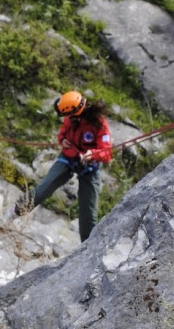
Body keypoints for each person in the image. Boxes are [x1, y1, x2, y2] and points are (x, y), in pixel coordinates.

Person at [12, 91, 113, 242]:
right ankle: (14, 213)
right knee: (44, 188)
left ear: (76, 111)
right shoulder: (70, 119)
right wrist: (63, 141)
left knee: (88, 211)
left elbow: (107, 153)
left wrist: (93, 154)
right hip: (68, 158)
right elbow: (62, 135)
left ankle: (88, 245)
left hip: (89, 167)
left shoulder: (99, 124)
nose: (66, 118)